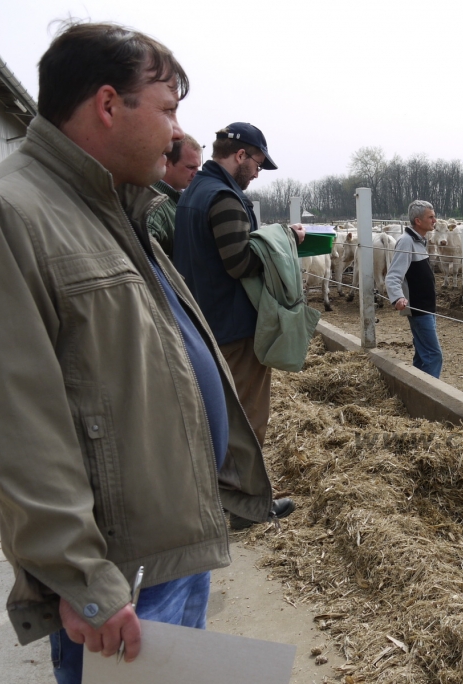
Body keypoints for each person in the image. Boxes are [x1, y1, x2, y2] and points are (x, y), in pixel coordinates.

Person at [0, 22, 278, 683]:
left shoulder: (110, 209)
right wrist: (83, 579)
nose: (179, 134)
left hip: (166, 550)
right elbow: (18, 423)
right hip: (118, 576)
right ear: (108, 104)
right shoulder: (14, 214)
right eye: (169, 109)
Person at [173, 123, 300, 528]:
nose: (258, 173)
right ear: (241, 155)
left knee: (218, 415)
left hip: (204, 319)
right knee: (246, 417)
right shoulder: (224, 197)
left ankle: (219, 499)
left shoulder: (195, 191)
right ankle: (245, 507)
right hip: (232, 324)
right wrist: (283, 239)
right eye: (258, 163)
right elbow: (240, 263)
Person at [386, 200, 443, 378]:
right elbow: (393, 275)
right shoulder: (406, 242)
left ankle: (415, 387)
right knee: (434, 355)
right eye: (431, 217)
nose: (435, 220)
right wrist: (397, 298)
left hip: (426, 307)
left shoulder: (419, 241)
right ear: (418, 221)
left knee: (422, 354)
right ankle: (430, 394)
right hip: (419, 308)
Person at [146, 133, 202, 256]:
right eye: (190, 167)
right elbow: (146, 261)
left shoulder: (180, 200)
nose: (196, 174)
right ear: (167, 163)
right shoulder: (155, 207)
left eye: (198, 167)